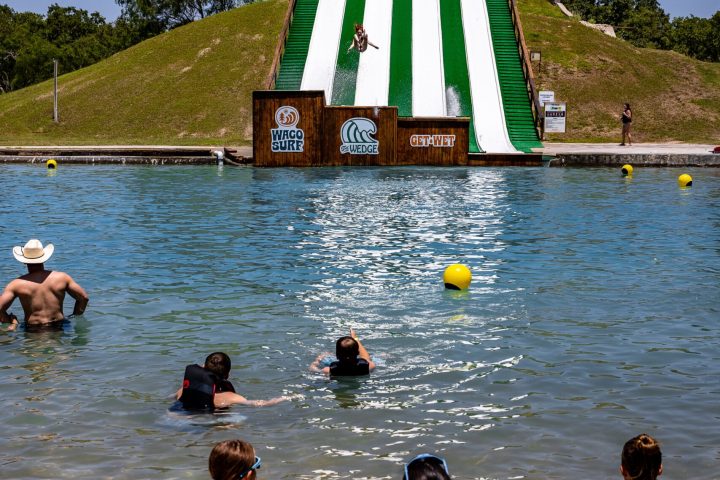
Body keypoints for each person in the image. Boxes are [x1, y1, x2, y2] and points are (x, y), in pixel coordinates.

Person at [1, 239, 89, 332]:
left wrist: (10, 323)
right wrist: (74, 316)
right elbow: (84, 297)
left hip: (34, 330)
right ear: (44, 258)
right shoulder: (62, 278)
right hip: (59, 327)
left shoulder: (16, 284)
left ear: (24, 261)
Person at [175, 352, 288, 410]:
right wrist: (284, 398)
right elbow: (258, 404)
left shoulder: (182, 391)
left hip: (175, 416)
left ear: (203, 368)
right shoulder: (230, 397)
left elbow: (170, 398)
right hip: (206, 423)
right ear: (227, 375)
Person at [310, 328, 376, 376]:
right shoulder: (369, 366)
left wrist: (317, 360)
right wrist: (355, 338)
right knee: (372, 358)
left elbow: (312, 369)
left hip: (338, 372)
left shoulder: (329, 370)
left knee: (326, 359)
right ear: (357, 352)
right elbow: (366, 357)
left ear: (337, 355)